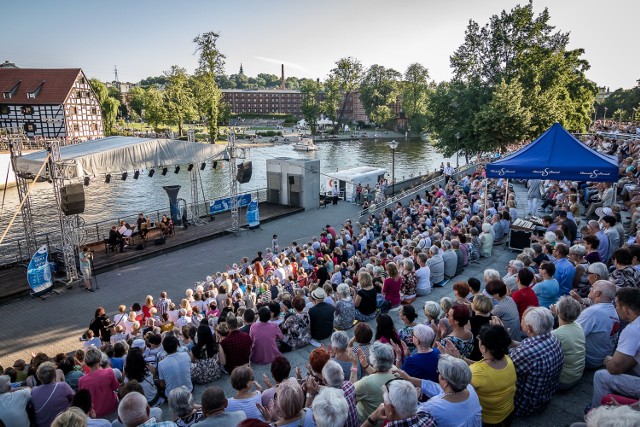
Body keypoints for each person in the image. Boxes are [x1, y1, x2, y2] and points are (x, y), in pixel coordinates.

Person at [399, 354, 482, 427]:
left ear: (445, 382)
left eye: (438, 372)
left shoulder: (432, 408)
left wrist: (414, 399)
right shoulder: (469, 388)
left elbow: (411, 416)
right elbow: (439, 389)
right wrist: (410, 379)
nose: (437, 374)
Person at [509, 306, 564, 416]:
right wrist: (508, 340)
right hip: (544, 397)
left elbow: (503, 369)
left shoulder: (525, 352)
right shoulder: (553, 338)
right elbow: (528, 346)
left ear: (528, 328)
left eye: (522, 321)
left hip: (524, 405)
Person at [590, 288, 640, 408]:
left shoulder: (633, 329)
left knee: (600, 376)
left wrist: (608, 361)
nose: (615, 308)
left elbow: (614, 368)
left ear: (625, 309)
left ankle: (596, 414)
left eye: (616, 305)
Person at [574, 280, 620, 369]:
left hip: (589, 359)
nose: (590, 288)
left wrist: (560, 315)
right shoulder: (611, 308)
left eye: (592, 287)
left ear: (597, 293)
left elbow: (574, 335)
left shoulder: (593, 312)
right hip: (602, 356)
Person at [364, 378, 437, 427]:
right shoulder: (427, 418)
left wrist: (372, 418)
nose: (383, 405)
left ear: (390, 409)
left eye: (384, 402)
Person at [353, 342, 397, 422]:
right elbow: (381, 374)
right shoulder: (395, 371)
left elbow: (349, 392)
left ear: (374, 359)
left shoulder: (366, 382)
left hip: (368, 421)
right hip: (387, 419)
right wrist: (366, 366)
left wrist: (354, 366)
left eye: (370, 354)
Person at [551, 296, 585, 391]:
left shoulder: (555, 334)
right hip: (577, 375)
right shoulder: (578, 326)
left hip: (563, 381)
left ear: (558, 311)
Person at [78, 347, 120, 418]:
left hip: (95, 413)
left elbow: (83, 399)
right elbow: (116, 387)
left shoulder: (82, 380)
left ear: (86, 362)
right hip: (112, 407)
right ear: (99, 360)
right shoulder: (109, 372)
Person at [31, 362, 75, 427]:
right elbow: (74, 398)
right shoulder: (63, 386)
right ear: (54, 375)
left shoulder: (34, 391)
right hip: (64, 423)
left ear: (38, 376)